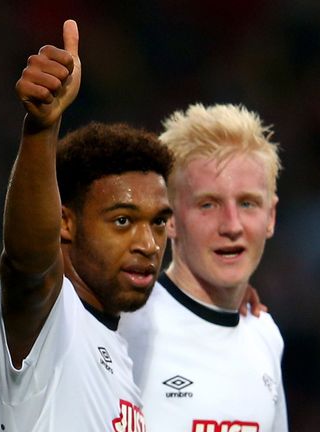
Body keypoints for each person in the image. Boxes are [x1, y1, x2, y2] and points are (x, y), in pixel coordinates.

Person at [0, 19, 173, 431]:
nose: (148, 244)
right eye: (123, 220)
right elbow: (28, 262)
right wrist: (41, 130)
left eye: (158, 224)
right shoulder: (51, 316)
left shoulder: (118, 358)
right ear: (65, 222)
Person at [119, 103, 289, 431]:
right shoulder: (125, 323)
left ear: (271, 217)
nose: (232, 225)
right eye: (207, 204)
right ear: (168, 219)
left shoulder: (265, 334)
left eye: (247, 203)